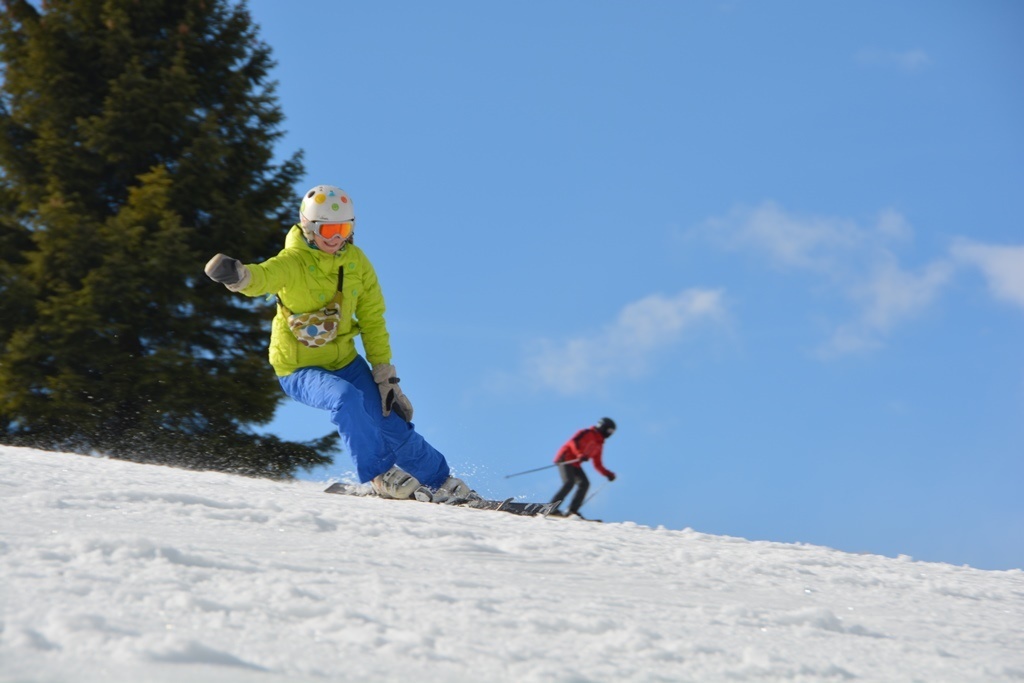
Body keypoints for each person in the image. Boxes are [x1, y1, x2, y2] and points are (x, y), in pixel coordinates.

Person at [204, 184, 477, 503]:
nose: (335, 238)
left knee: (388, 419)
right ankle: (379, 475)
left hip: (345, 361)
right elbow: (263, 276)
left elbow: (373, 319)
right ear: (308, 226)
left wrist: (384, 375)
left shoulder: (357, 263)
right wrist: (238, 276)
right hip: (300, 368)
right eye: (328, 230)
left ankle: (440, 480)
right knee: (345, 398)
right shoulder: (292, 261)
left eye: (343, 230)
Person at [549, 417, 617, 518]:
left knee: (584, 483)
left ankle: (572, 511)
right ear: (603, 427)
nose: (610, 434)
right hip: (565, 458)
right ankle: (551, 508)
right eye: (609, 431)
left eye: (612, 432)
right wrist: (580, 454)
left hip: (575, 464)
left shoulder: (599, 444)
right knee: (569, 482)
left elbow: (598, 464)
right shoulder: (586, 432)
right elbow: (573, 442)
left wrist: (608, 474)